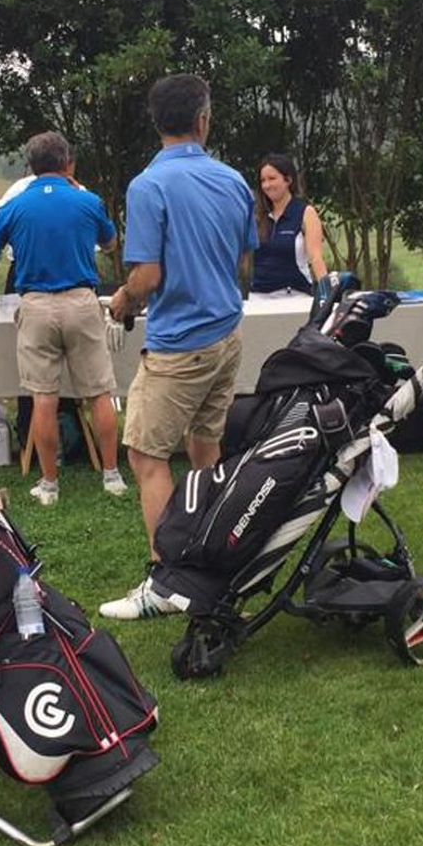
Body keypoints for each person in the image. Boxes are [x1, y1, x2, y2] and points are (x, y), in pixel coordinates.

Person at [99, 73, 258, 620]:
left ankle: (168, 578)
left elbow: (146, 275)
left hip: (179, 344)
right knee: (205, 448)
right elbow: (242, 257)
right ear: (203, 119)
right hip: (226, 333)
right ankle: (217, 551)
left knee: (145, 455)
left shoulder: (149, 185)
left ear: (157, 122)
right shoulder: (235, 180)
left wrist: (121, 301)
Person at [0, 131, 126, 505]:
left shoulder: (14, 207)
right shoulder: (88, 200)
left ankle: (50, 484)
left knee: (44, 398)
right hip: (83, 302)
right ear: (68, 163)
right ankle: (112, 475)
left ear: (31, 167)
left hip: (35, 305)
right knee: (99, 392)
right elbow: (111, 243)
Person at [249, 153, 327, 298]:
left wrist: (328, 295)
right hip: (258, 297)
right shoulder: (257, 216)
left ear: (288, 180)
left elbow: (315, 257)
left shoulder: (305, 212)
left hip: (294, 295)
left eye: (272, 179)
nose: (266, 185)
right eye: (263, 180)